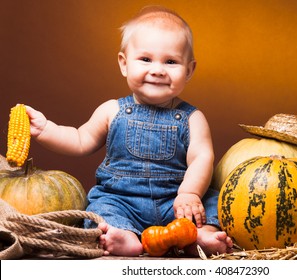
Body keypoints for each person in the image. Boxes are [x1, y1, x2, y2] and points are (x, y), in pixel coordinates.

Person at [26, 6, 233, 257]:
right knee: (101, 211)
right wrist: (46, 129)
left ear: (189, 70)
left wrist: (189, 193)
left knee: (214, 204)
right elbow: (80, 140)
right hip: (121, 200)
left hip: (174, 201)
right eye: (146, 59)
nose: (157, 69)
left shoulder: (192, 118)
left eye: (171, 61)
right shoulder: (111, 110)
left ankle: (198, 237)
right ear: (124, 64)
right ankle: (124, 237)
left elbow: (202, 158)